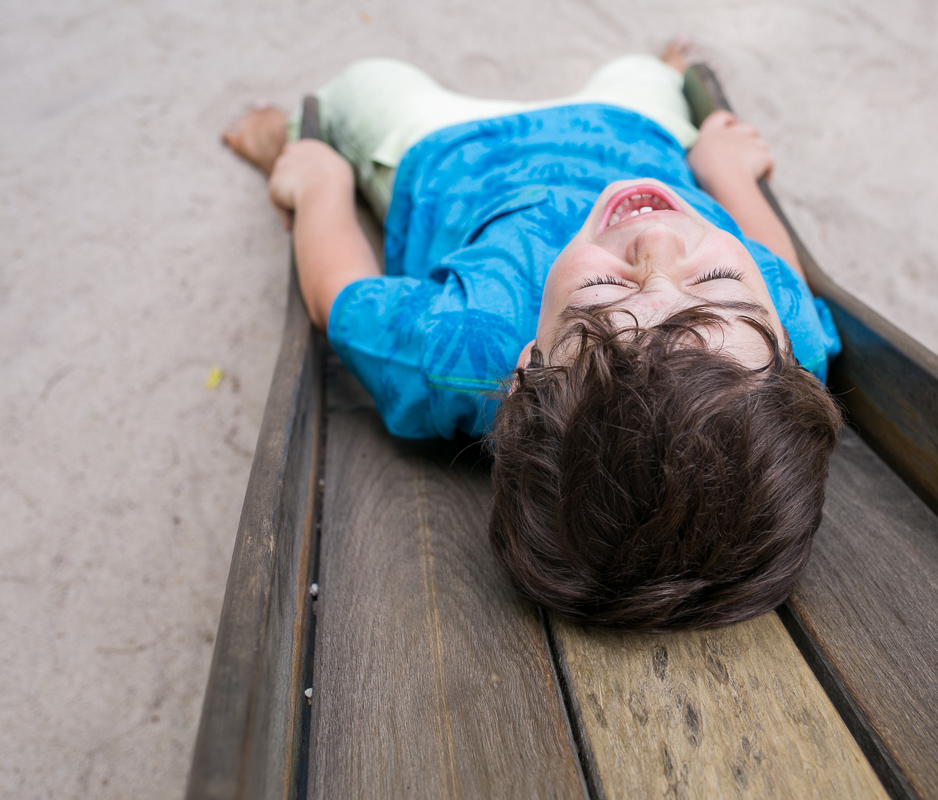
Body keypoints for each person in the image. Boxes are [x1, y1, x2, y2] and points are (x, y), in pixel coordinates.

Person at [223, 43, 843, 630]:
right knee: (642, 72)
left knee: (367, 80)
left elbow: (339, 296)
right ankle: (658, 69)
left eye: (605, 293)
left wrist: (319, 183)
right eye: (717, 279)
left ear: (526, 370)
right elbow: (780, 269)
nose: (657, 240)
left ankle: (278, 140)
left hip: (456, 150)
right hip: (630, 132)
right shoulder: (779, 344)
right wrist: (725, 171)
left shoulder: (460, 350)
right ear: (789, 350)